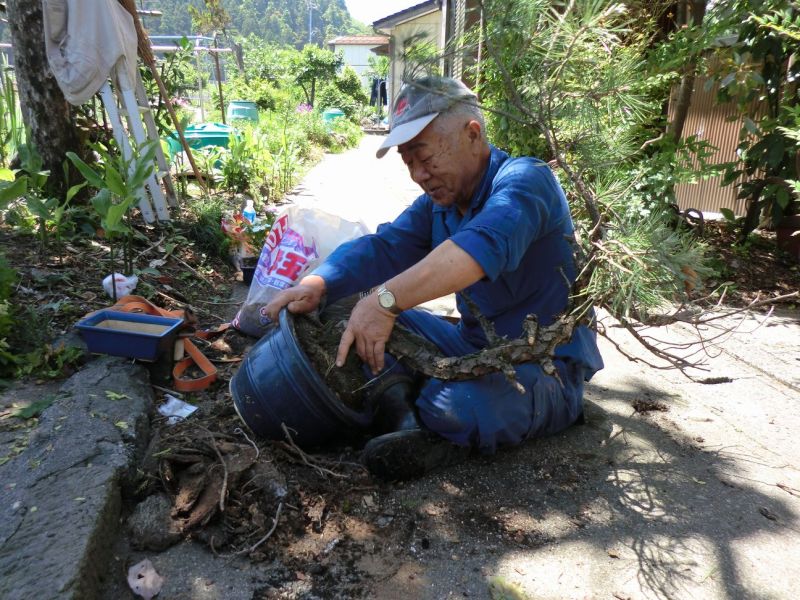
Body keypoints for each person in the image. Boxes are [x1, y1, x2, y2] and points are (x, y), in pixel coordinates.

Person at [265, 76, 604, 480]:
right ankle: (407, 413)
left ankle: (423, 411)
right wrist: (316, 284)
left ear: (472, 134)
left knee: (454, 405)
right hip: (471, 344)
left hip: (543, 365)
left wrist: (386, 301)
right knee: (346, 310)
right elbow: (385, 246)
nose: (418, 174)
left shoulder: (525, 183)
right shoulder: (440, 203)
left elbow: (475, 251)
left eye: (424, 157)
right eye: (408, 162)